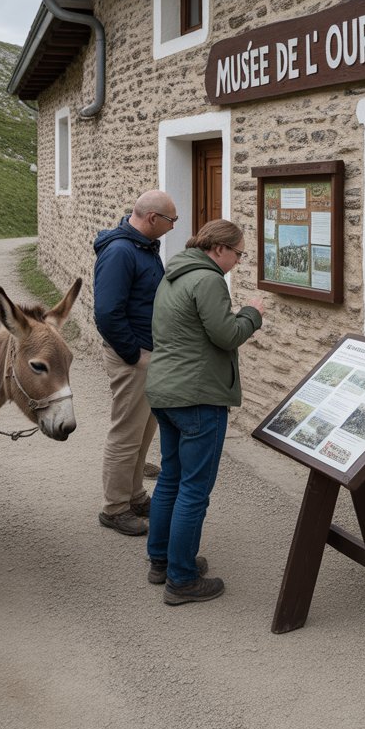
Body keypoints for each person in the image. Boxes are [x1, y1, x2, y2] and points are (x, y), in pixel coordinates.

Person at [145, 219, 264, 605]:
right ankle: (181, 580)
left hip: (165, 391)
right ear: (219, 249)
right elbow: (226, 335)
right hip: (197, 397)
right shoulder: (209, 280)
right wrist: (252, 313)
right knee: (194, 490)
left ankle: (161, 560)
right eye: (238, 254)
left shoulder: (174, 273)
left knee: (171, 479)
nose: (238, 262)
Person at [93, 190, 178, 536]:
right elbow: (107, 313)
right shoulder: (120, 252)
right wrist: (135, 355)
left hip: (147, 354)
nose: (174, 226)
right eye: (171, 220)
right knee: (126, 434)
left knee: (144, 431)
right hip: (134, 357)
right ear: (153, 219)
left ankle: (135, 494)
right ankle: (114, 508)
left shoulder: (143, 247)